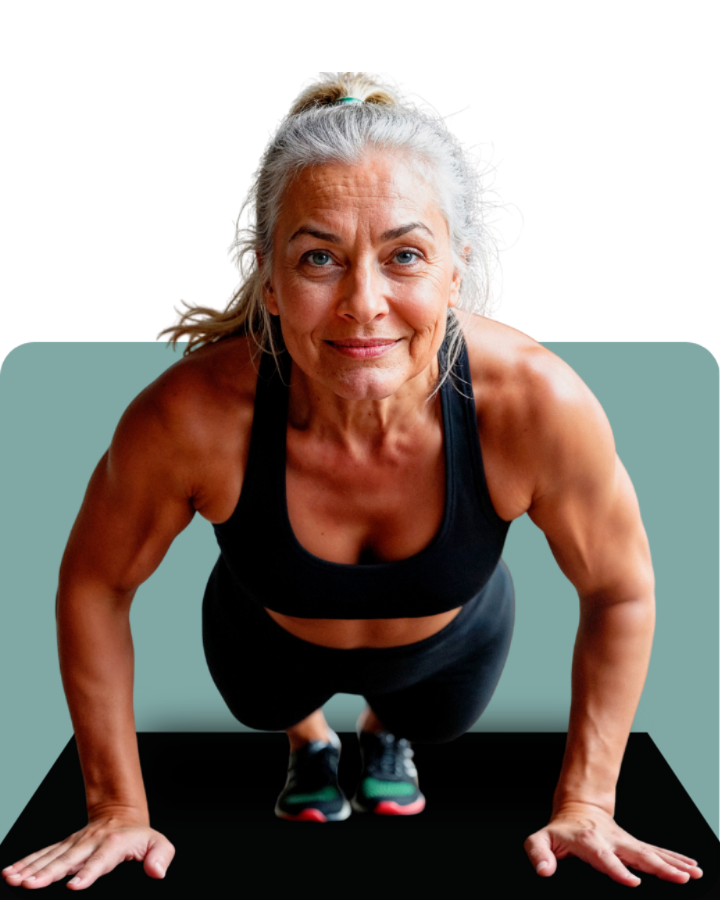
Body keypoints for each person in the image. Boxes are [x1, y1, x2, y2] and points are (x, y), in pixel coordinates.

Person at [2, 72, 703, 892]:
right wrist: (115, 805)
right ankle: (309, 741)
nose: (362, 303)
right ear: (269, 278)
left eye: (404, 255)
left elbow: (620, 589)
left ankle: (381, 730)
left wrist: (589, 799)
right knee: (264, 707)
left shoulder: (538, 405)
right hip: (261, 642)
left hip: (452, 646)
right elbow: (94, 582)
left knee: (431, 721)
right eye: (319, 258)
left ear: (455, 270)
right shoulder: (191, 415)